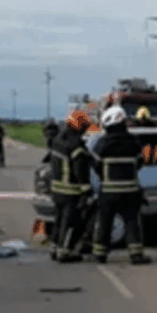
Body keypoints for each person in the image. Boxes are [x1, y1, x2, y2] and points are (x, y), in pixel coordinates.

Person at [89, 106, 151, 265]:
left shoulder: (102, 143)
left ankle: (99, 255)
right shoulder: (134, 142)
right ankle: (136, 255)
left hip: (108, 192)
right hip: (130, 191)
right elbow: (140, 163)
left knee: (104, 222)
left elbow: (95, 165)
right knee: (132, 223)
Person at [47, 110, 94, 263]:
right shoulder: (76, 145)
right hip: (70, 190)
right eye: (85, 126)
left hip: (56, 189)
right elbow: (80, 170)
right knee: (71, 221)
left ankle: (54, 247)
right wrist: (87, 191)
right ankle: (64, 252)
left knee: (59, 219)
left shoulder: (58, 140)